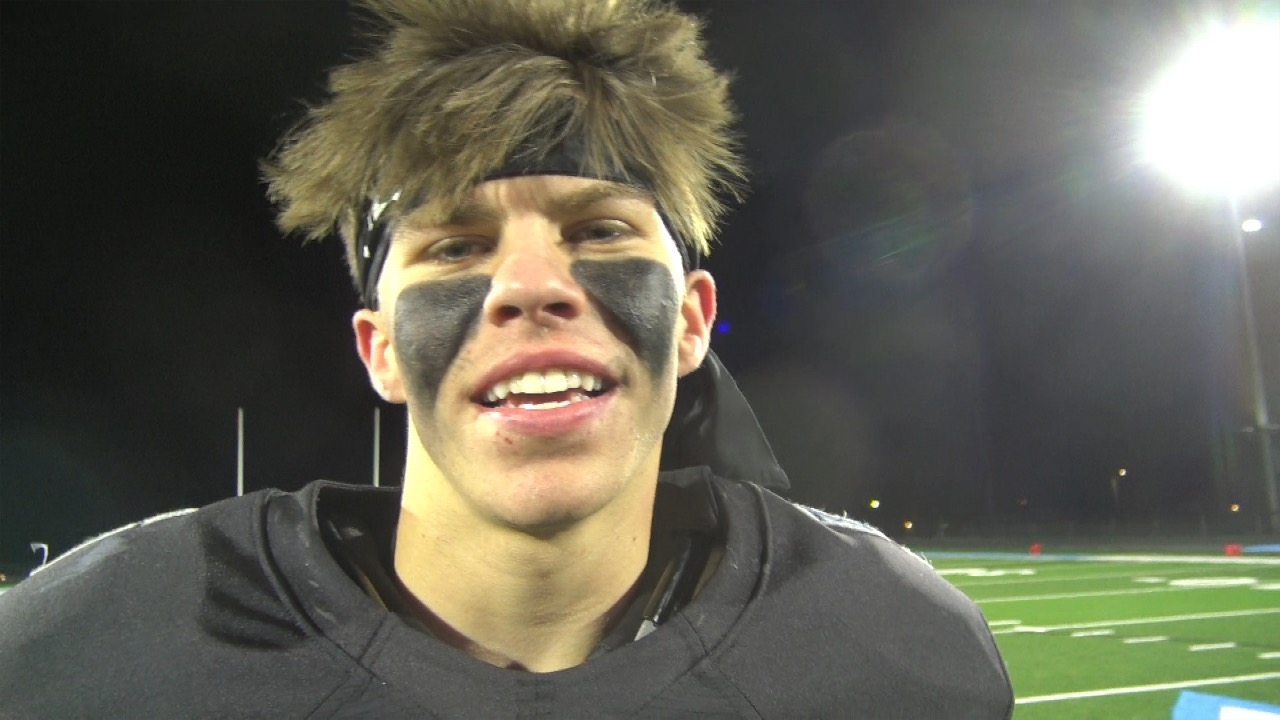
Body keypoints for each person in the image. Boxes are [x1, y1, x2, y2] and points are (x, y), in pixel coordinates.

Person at [0, 0, 1013, 716]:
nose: (530, 284)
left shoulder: (896, 653)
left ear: (691, 320)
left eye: (600, 232)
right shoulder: (96, 657)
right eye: (455, 247)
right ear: (380, 349)